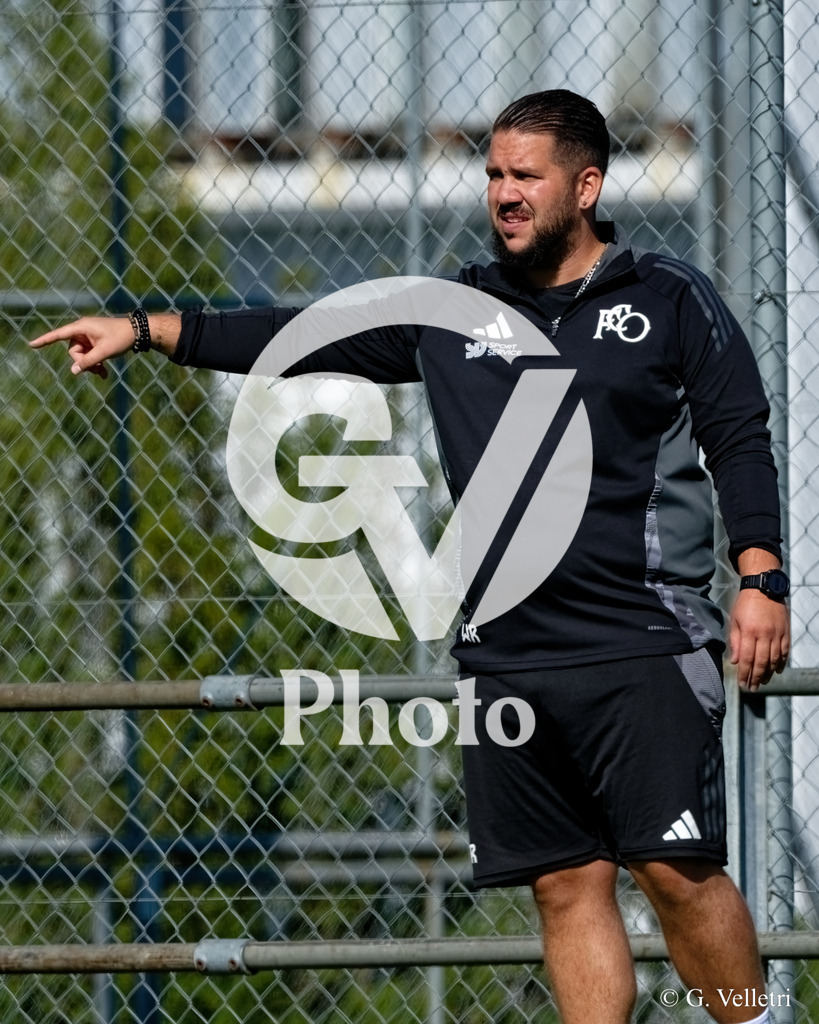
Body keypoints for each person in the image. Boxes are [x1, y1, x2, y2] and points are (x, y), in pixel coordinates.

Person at [30, 90, 789, 1024]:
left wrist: (759, 578)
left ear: (585, 185)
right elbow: (300, 336)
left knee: (675, 874)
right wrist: (147, 330)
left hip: (640, 643)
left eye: (526, 177)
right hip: (506, 656)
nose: (503, 195)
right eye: (493, 176)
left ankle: (758, 1016)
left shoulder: (666, 298)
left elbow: (740, 440)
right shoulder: (451, 307)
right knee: (563, 887)